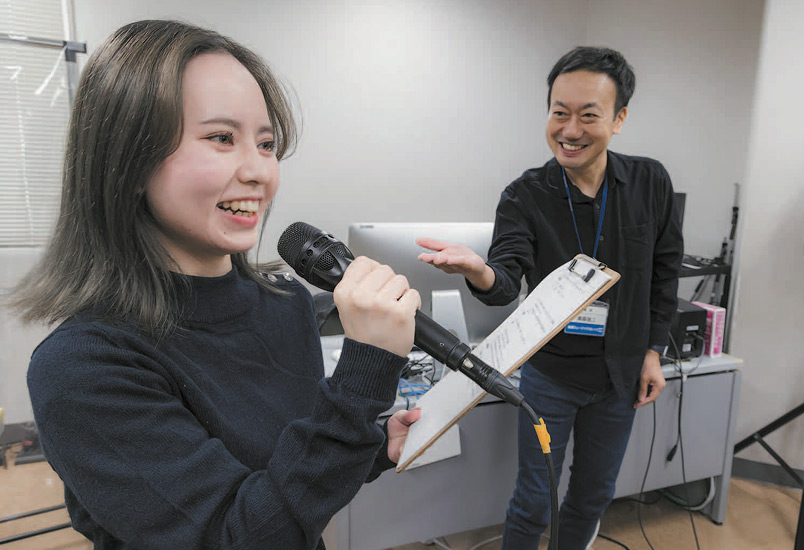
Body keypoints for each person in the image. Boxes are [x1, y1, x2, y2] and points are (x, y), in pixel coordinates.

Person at [8, 19, 421, 550]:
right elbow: (236, 534)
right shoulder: (84, 366)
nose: (260, 172)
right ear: (128, 159)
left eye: (267, 144)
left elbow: (282, 476)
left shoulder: (285, 302)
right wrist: (362, 378)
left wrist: (371, 447)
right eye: (221, 138)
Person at [418, 46, 683, 549]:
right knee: (535, 501)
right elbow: (504, 283)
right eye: (559, 113)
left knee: (593, 496)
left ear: (619, 119)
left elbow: (665, 273)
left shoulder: (650, 182)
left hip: (620, 376)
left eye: (589, 115)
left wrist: (653, 351)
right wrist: (479, 271)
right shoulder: (525, 195)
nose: (570, 129)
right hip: (552, 376)